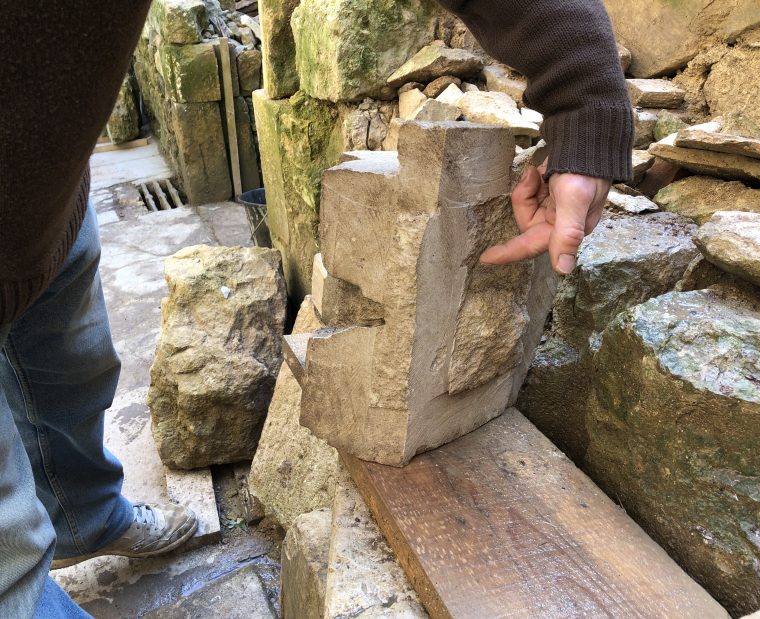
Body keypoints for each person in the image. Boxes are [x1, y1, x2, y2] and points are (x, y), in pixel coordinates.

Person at [1, 0, 631, 616]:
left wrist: (585, 98)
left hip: (42, 209)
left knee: (71, 372)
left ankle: (85, 518)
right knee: (11, 568)